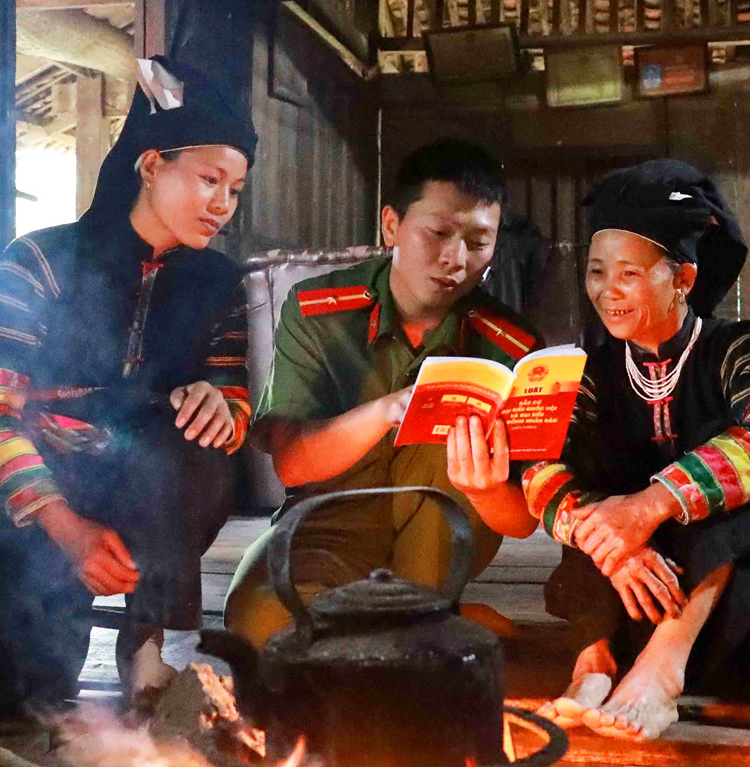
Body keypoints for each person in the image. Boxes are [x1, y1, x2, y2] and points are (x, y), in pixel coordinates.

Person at [0, 56, 257, 712]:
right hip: (52, 491)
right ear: (151, 166)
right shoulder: (39, 262)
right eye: (209, 179)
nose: (223, 205)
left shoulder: (218, 284)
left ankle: (150, 650)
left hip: (155, 494)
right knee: (21, 694)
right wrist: (69, 530)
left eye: (236, 189)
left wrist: (221, 404)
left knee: (192, 454)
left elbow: (237, 400)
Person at [525, 160, 750, 741]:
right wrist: (616, 544)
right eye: (597, 272)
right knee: (586, 485)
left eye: (628, 273)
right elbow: (540, 469)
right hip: (633, 597)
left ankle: (662, 671)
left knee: (736, 461)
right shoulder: (589, 370)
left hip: (745, 614)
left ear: (683, 279)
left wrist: (649, 506)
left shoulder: (735, 346)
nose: (607, 290)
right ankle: (595, 663)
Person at [223, 138, 541, 645]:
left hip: (439, 533)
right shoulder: (317, 310)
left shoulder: (512, 347)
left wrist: (484, 488)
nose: (456, 259)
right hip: (329, 524)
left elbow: (521, 521)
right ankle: (430, 620)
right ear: (391, 225)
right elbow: (293, 466)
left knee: (453, 430)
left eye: (479, 242)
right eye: (438, 233)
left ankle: (416, 610)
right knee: (261, 623)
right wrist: (387, 410)